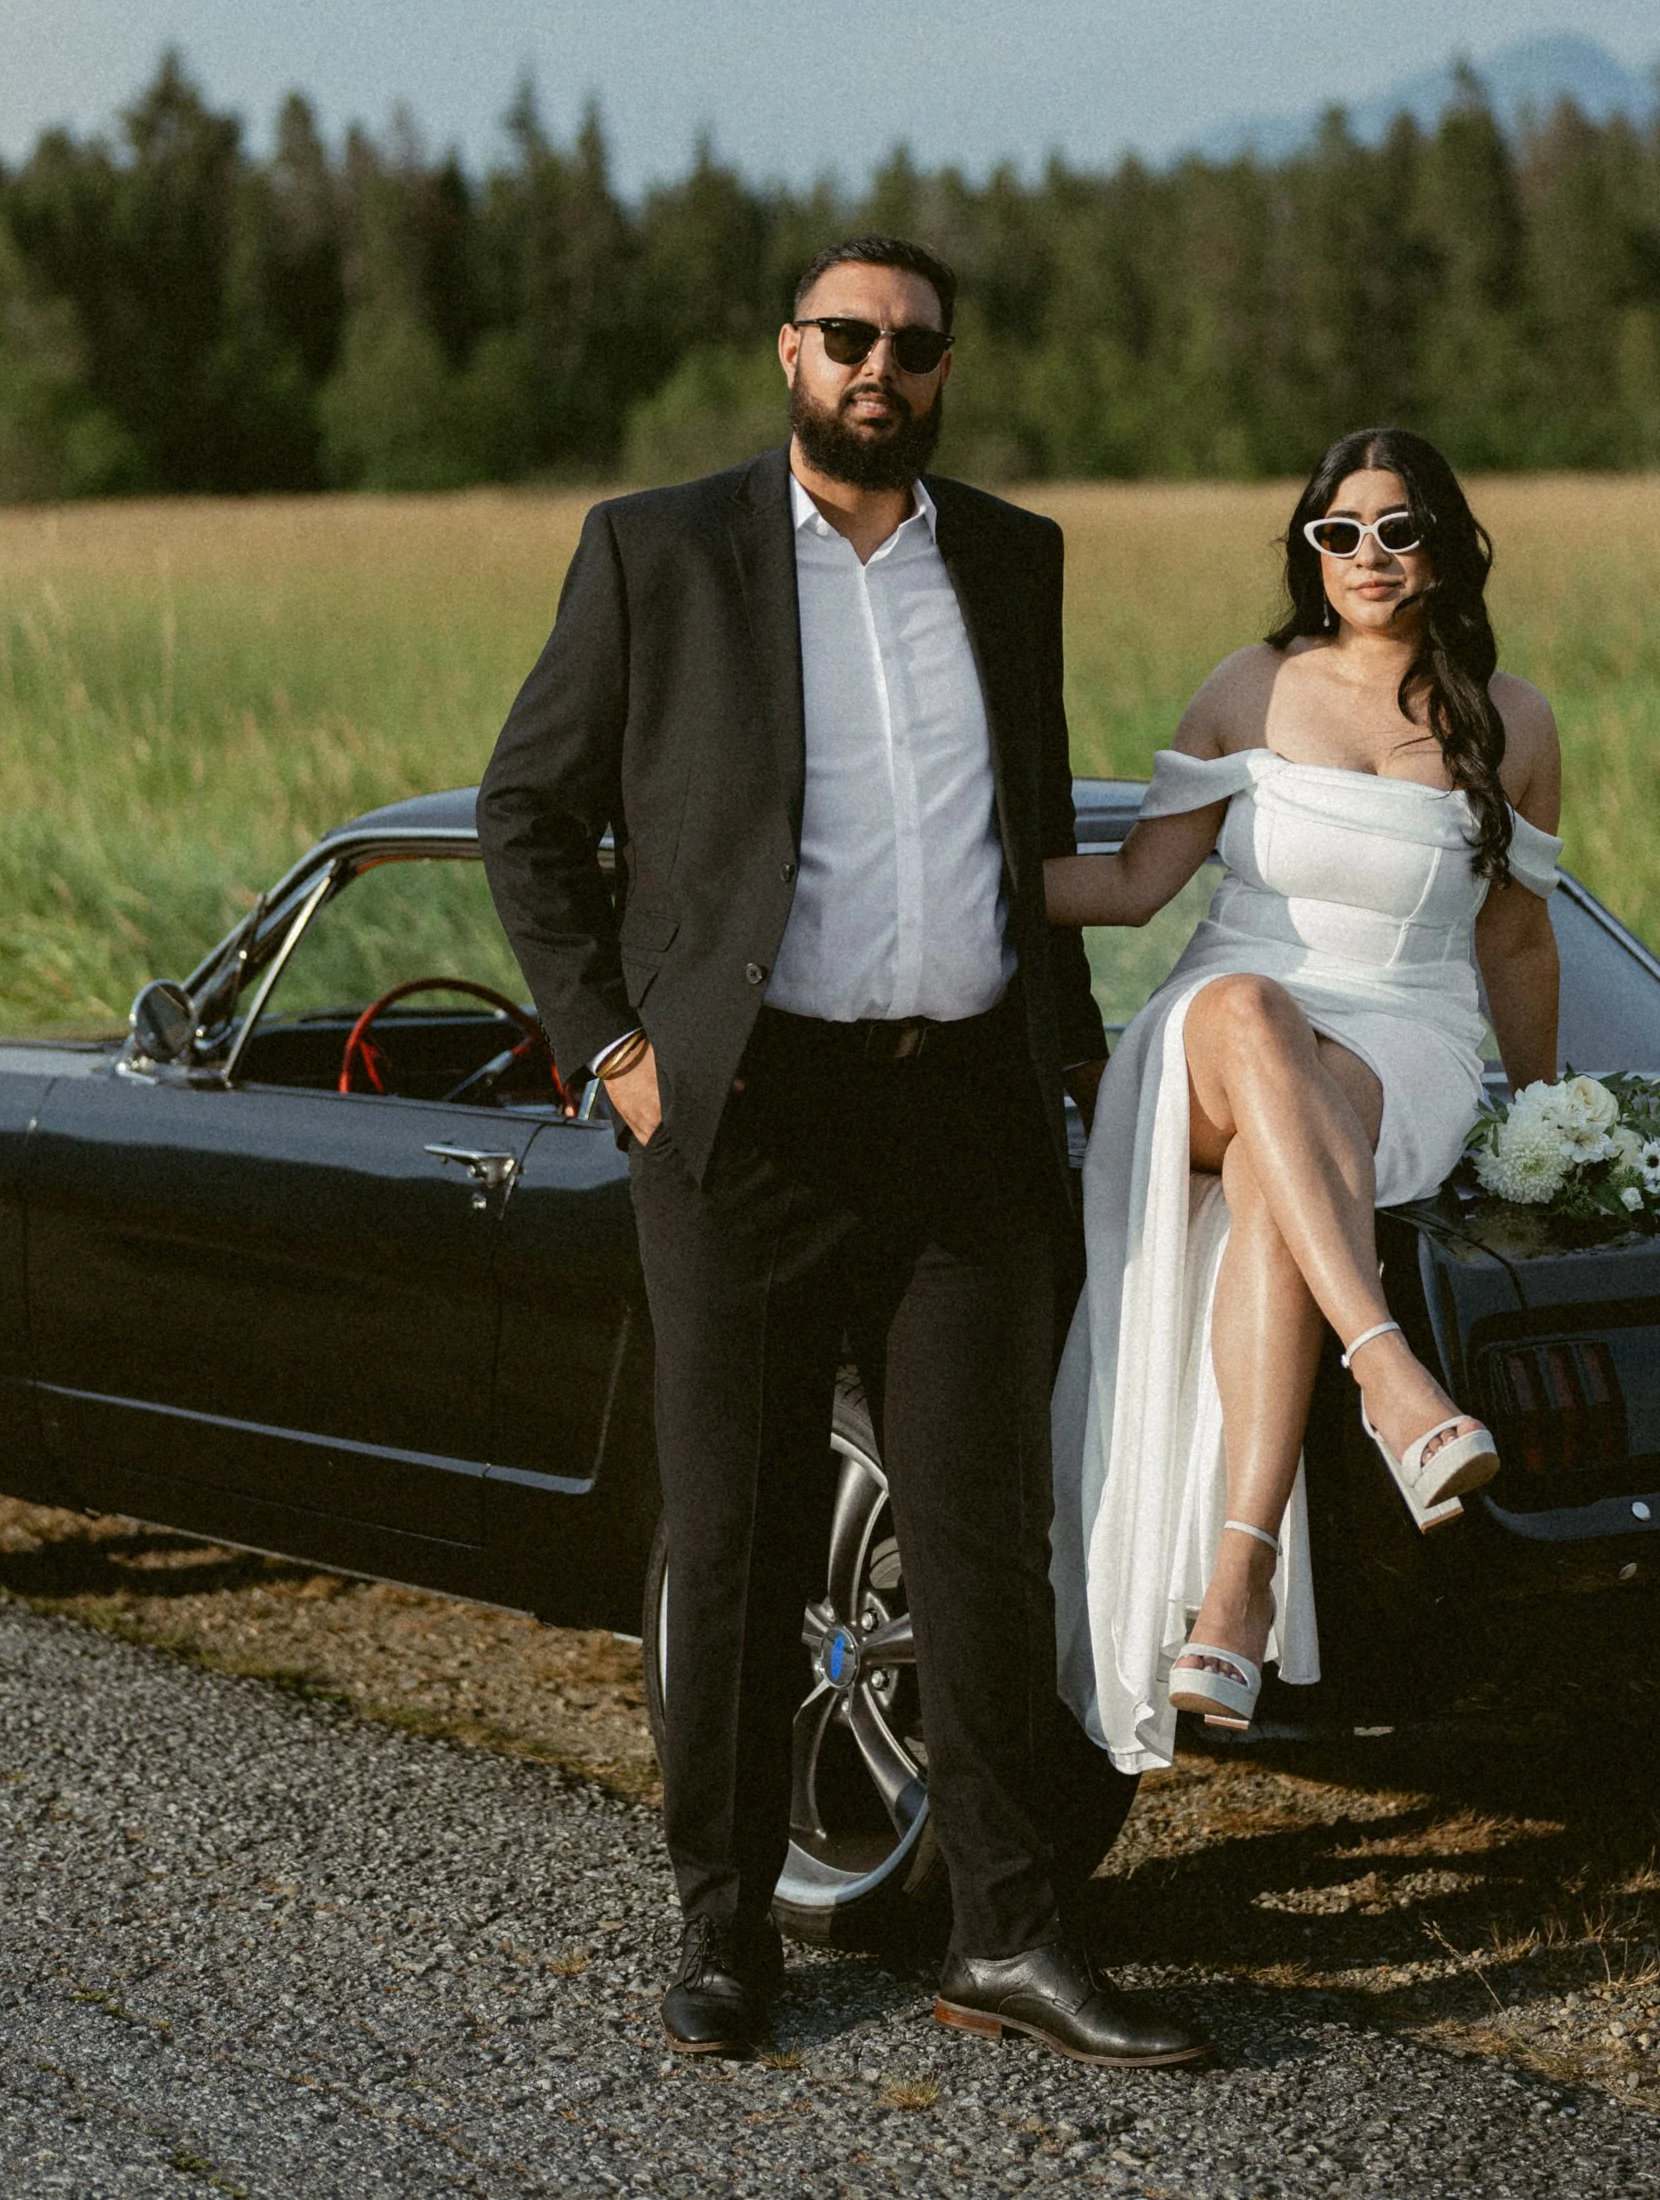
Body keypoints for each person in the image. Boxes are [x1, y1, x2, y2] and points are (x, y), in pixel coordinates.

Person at [478, 236, 1208, 2069]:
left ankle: (1009, 1935)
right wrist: (615, 1052)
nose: (881, 368)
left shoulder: (1014, 559)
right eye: (848, 337)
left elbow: (1020, 832)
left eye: (916, 344)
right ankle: (726, 1938)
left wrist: (1074, 1057)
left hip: (964, 1119)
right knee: (735, 1540)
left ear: (947, 369)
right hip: (743, 1124)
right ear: (789, 350)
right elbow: (528, 811)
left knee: (984, 1549)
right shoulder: (660, 553)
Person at [1045, 426, 1562, 1770]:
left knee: (1294, 1166)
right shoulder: (1249, 686)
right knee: (1246, 1010)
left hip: (1411, 1041)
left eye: (1398, 529)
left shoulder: (1516, 717)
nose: (1370, 557)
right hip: (1222, 1030)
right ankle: (1392, 1376)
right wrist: (937, 882)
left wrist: (1544, 1116)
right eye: (1341, 532)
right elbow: (1132, 887)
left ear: (1445, 543)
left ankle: (1239, 1583)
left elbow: (1513, 939)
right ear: (1309, 550)